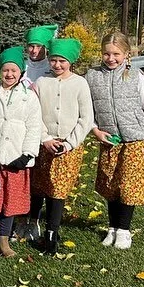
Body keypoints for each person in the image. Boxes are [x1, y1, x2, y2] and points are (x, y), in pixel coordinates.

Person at [86, 32, 144, 250]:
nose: (111, 59)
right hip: (110, 139)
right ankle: (112, 228)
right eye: (106, 54)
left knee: (129, 186)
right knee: (111, 185)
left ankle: (124, 230)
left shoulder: (135, 75)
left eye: (116, 54)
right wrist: (95, 131)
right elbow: (87, 108)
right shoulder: (92, 76)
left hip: (135, 139)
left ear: (126, 54)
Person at [29, 38, 94, 255]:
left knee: (58, 188)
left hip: (68, 146)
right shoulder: (41, 82)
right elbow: (34, 113)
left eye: (62, 61)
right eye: (54, 60)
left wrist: (70, 142)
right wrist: (44, 138)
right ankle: (32, 222)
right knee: (39, 184)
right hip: (44, 144)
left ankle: (51, 232)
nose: (57, 65)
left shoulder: (79, 83)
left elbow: (86, 118)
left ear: (71, 62)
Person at [0, 48, 42, 259]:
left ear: (20, 72)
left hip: (17, 158)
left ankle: (4, 240)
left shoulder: (29, 97)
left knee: (10, 202)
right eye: (5, 70)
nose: (9, 75)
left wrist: (27, 154)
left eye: (13, 70)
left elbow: (34, 126)